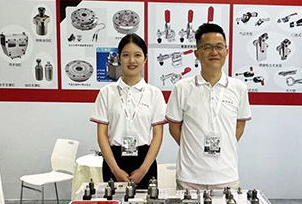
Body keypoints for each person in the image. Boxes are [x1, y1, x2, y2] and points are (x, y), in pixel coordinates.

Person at [166, 23, 251, 191]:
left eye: (219, 47)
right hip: (189, 178)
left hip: (226, 177)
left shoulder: (238, 88)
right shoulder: (182, 87)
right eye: (207, 47)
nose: (214, 52)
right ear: (197, 53)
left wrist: (225, 146)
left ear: (226, 51)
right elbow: (174, 127)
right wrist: (193, 148)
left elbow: (240, 126)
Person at [90, 34, 166, 189]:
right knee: (114, 202)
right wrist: (115, 170)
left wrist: (143, 169)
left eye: (137, 55)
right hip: (114, 160)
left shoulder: (154, 93)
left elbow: (158, 135)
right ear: (119, 58)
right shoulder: (106, 92)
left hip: (145, 161)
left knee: (146, 203)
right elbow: (102, 135)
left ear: (145, 59)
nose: (132, 60)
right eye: (126, 55)